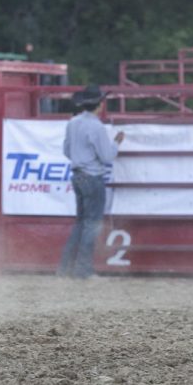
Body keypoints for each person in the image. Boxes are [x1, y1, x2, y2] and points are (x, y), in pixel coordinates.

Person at [58, 85, 124, 279]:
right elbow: (106, 156)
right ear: (100, 105)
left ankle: (65, 267)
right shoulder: (96, 126)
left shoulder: (73, 123)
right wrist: (117, 143)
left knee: (80, 223)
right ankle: (83, 270)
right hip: (92, 176)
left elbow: (66, 150)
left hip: (77, 175)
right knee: (91, 224)